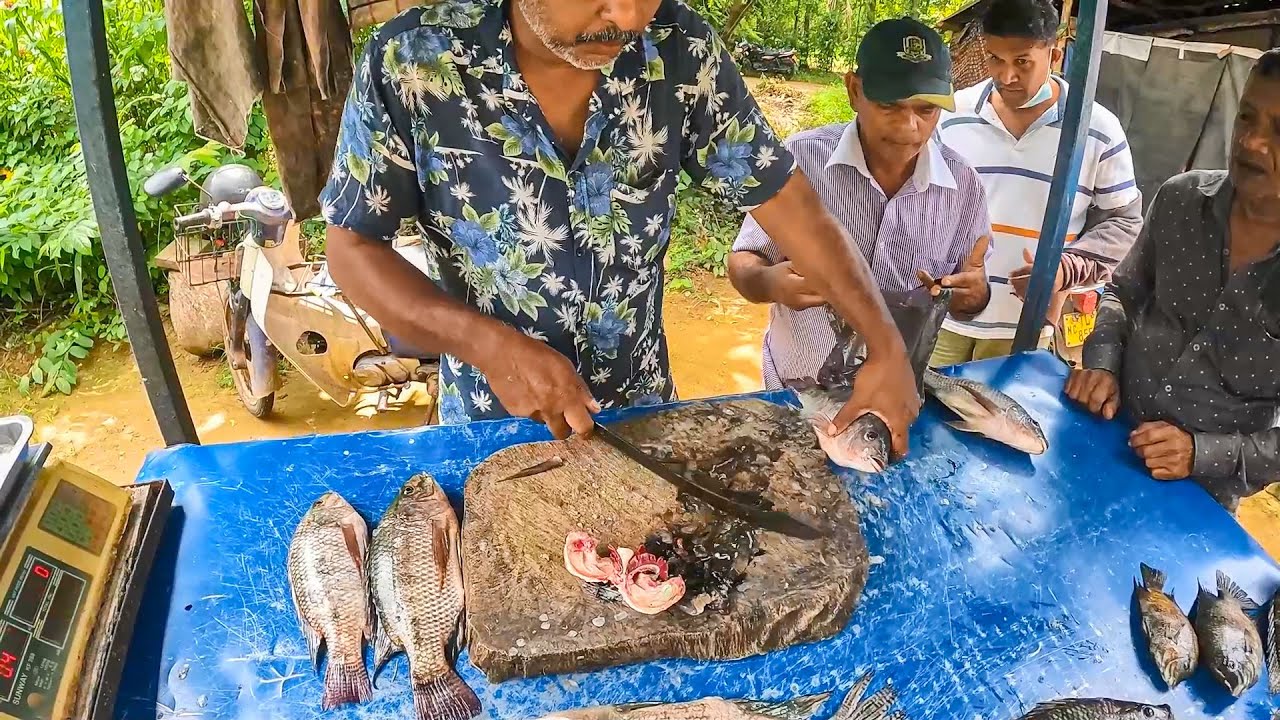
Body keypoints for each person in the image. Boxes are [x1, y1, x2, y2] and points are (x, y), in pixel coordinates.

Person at [319, 0, 922, 454]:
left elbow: (788, 202)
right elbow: (352, 246)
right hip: (493, 421)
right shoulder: (410, 61)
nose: (628, 17)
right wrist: (489, 346)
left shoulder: (682, 51)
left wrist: (885, 342)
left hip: (643, 414)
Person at [1065, 49, 1280, 512]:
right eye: (1247, 117)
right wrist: (1101, 362)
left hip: (1198, 499)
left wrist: (1201, 453)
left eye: (1279, 131)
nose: (1252, 142)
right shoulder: (1181, 199)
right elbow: (1123, 291)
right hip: (1104, 433)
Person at [728, 18, 992, 390]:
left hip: (894, 396)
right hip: (795, 390)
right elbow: (743, 262)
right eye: (889, 106)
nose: (909, 127)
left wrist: (974, 294)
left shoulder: (963, 188)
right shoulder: (800, 162)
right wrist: (768, 281)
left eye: (926, 110)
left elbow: (972, 294)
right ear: (854, 90)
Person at [931, 0, 1142, 366]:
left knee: (1004, 419)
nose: (1006, 75)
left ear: (1054, 55)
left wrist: (1064, 268)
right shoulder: (951, 116)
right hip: (948, 315)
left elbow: (1125, 222)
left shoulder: (1095, 129)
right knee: (927, 412)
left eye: (1022, 62)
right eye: (995, 58)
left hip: (1030, 325)